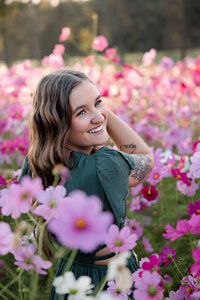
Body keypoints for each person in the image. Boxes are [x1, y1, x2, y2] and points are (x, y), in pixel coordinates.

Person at [18, 69, 154, 299]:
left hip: (69, 278)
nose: (99, 117)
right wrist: (102, 112)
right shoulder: (106, 165)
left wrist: (90, 111)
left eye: (99, 102)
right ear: (58, 124)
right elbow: (145, 158)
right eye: (81, 112)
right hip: (111, 281)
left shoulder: (38, 163)